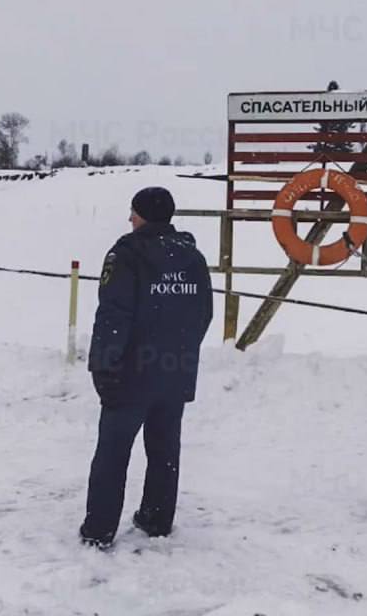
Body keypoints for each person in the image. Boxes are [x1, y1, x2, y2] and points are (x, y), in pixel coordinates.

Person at [80, 186, 214, 549]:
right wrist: (181, 351)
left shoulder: (126, 255)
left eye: (133, 212)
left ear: (142, 216)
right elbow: (203, 314)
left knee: (112, 453)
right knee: (164, 450)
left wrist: (103, 366)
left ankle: (99, 528)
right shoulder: (192, 257)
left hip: (130, 373)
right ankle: (157, 518)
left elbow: (113, 316)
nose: (130, 218)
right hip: (174, 371)